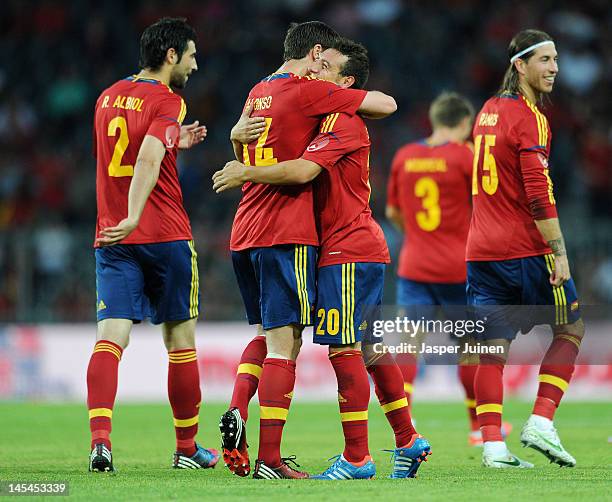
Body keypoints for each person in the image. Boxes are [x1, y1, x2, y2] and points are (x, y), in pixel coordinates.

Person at [214, 38, 431, 480]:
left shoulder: (342, 123)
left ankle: (357, 458)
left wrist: (244, 171)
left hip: (345, 248)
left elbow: (304, 171)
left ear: (346, 81)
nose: (315, 72)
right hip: (346, 247)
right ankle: (409, 440)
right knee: (367, 347)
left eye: (326, 67)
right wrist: (237, 135)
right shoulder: (318, 117)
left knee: (342, 347)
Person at [88, 17, 218, 472]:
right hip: (161, 233)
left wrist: (173, 140)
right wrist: (135, 214)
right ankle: (186, 449)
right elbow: (144, 155)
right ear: (171, 56)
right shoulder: (168, 100)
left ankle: (100, 441)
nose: (195, 65)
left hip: (112, 238)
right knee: (180, 342)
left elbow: (129, 147)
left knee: (111, 340)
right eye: (192, 55)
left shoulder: (106, 97)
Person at [467, 29, 584, 468]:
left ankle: (494, 444)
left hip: (481, 250)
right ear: (520, 65)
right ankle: (541, 421)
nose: (554, 67)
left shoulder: (487, 112)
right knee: (571, 329)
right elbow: (539, 192)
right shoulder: (531, 117)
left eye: (557, 59)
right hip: (524, 249)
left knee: (492, 349)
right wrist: (560, 253)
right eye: (545, 60)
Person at [386, 92, 511, 446]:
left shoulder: (405, 155)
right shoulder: (467, 155)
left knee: (408, 345)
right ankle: (477, 427)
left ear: (434, 118)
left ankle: (404, 429)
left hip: (414, 264)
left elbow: (393, 211)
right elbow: (490, 203)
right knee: (471, 346)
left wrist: (420, 237)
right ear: (463, 123)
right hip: (460, 267)